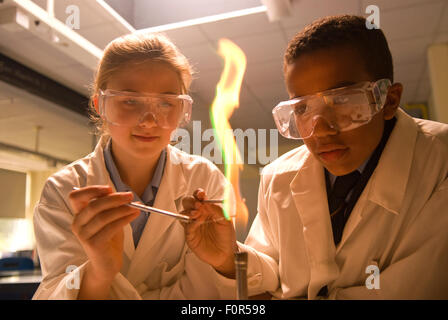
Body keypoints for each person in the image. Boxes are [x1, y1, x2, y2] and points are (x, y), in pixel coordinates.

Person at [183, 15, 448, 299]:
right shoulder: (277, 177)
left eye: (343, 99)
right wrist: (227, 259)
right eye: (302, 110)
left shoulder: (439, 161)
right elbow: (270, 273)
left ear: (388, 100)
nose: (320, 130)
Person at [32, 33, 235, 299]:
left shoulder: (204, 178)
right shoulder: (63, 190)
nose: (149, 121)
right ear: (100, 105)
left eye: (166, 102)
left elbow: (209, 293)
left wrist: (225, 263)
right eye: (130, 100)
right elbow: (56, 292)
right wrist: (99, 273)